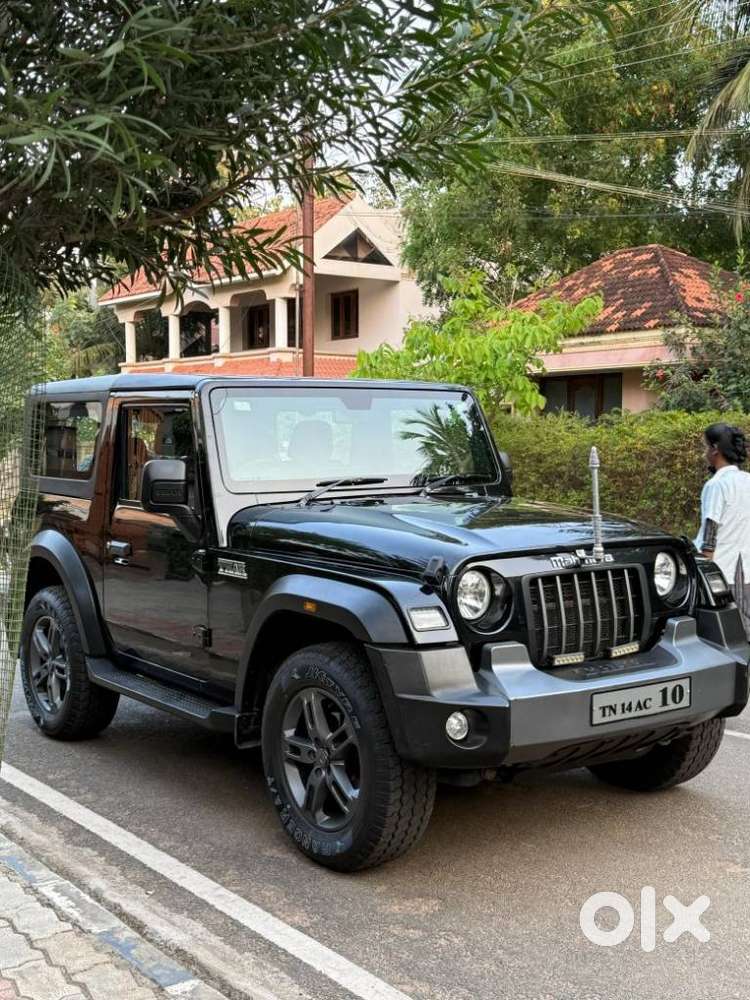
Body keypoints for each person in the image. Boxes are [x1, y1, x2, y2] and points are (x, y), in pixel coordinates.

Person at [695, 423, 750, 638]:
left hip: (724, 572)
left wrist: (704, 571)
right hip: (746, 569)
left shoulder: (717, 485)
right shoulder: (747, 480)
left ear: (715, 449)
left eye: (705, 446)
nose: (704, 452)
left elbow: (710, 533)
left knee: (728, 634)